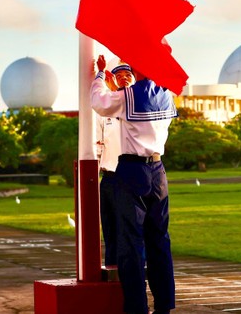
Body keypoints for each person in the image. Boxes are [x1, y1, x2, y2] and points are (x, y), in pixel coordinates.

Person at [90, 54, 177, 314]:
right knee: (160, 239)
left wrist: (99, 75)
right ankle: (164, 304)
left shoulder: (128, 96)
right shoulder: (167, 94)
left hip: (132, 170)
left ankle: (137, 306)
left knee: (131, 242)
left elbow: (99, 102)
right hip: (159, 171)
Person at [97, 61, 135, 267]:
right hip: (110, 176)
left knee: (131, 232)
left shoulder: (140, 103)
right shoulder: (105, 111)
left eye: (127, 75)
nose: (123, 78)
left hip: (132, 174)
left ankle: (134, 277)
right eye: (118, 75)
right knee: (111, 232)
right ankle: (113, 276)